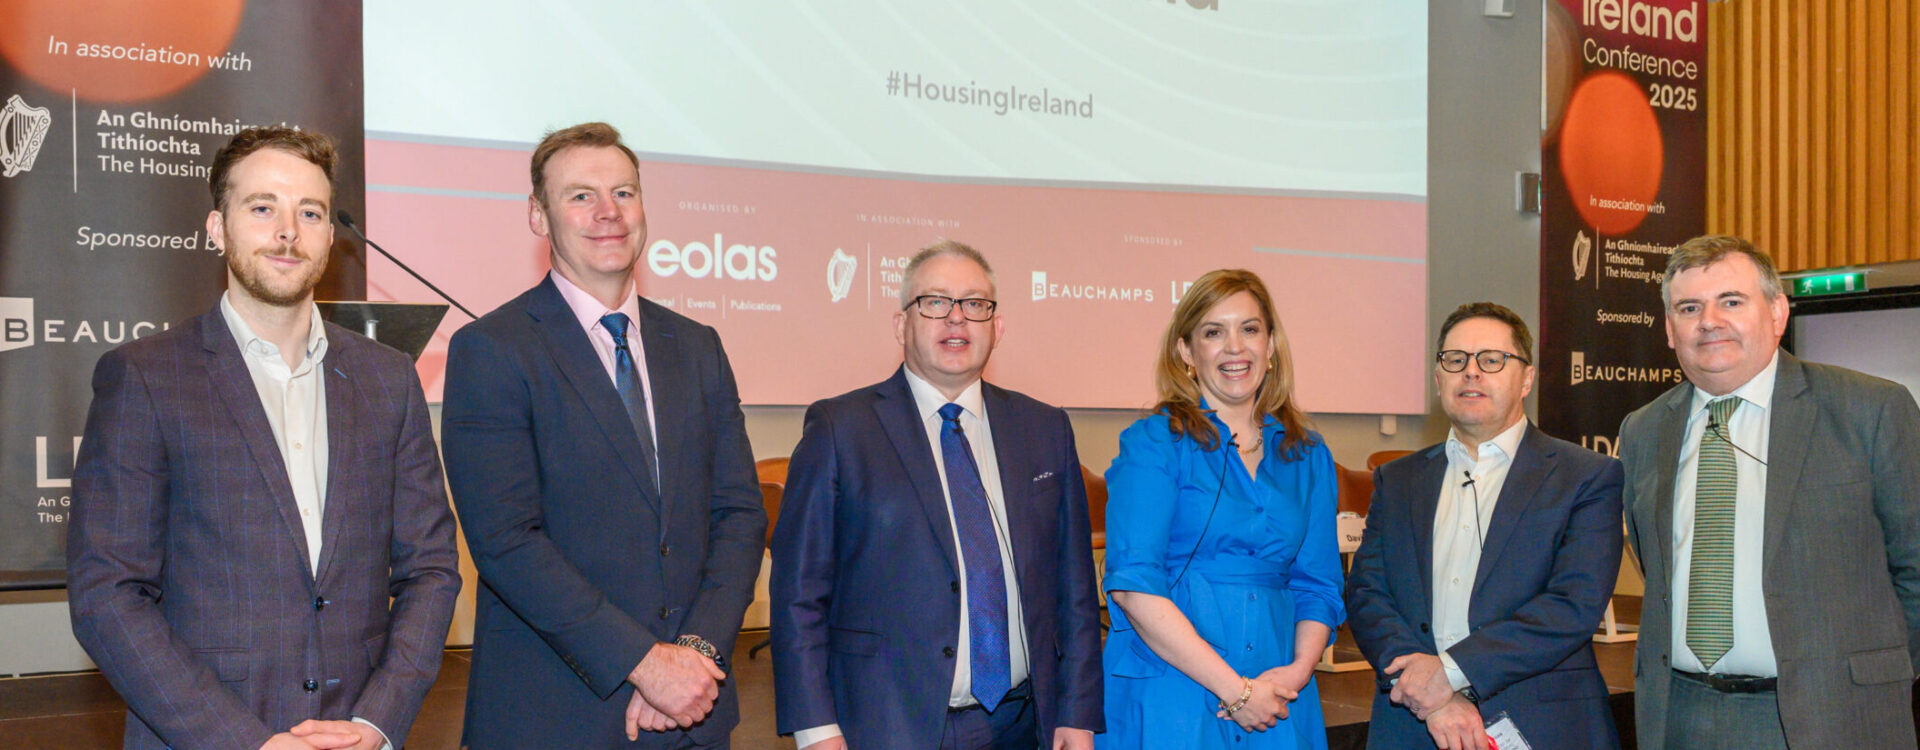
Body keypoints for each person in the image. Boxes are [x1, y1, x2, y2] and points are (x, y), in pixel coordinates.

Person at [67, 126, 462, 750]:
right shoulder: (146, 377)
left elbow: (431, 570)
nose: (288, 231)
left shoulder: (388, 380)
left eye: (310, 213)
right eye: (262, 208)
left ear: (329, 237)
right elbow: (108, 595)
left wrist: (377, 723)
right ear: (217, 228)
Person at [440, 122, 766, 749]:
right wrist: (645, 664)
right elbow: (507, 541)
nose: (608, 212)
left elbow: (739, 515)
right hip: (555, 718)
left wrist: (695, 655)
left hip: (695, 712)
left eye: (623, 192)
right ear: (538, 215)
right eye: (581, 196)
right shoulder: (491, 349)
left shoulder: (697, 346)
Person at [770, 240, 1104, 750]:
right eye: (935, 302)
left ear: (997, 327)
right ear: (901, 325)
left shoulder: (1045, 428)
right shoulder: (841, 429)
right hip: (887, 725)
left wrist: (1076, 714)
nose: (956, 317)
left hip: (1024, 723)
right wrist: (815, 730)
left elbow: (1075, 589)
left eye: (975, 303)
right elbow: (799, 593)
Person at [1620, 235, 1920, 749]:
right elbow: (1655, 566)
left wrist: (1872, 675)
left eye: (1731, 301)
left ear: (1777, 312)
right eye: (1689, 308)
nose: (1709, 321)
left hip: (1835, 718)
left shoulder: (1870, 410)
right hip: (1682, 716)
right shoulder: (1643, 430)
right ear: (1670, 329)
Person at [1344, 302, 1623, 750]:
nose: (1471, 372)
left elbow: (1573, 605)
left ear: (1526, 379)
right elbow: (1367, 593)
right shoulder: (1398, 480)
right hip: (1411, 720)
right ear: (1439, 379)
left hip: (1541, 721)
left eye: (1492, 359)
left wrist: (1449, 673)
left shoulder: (1585, 476)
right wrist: (1428, 693)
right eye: (1455, 360)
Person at [1097, 269, 1343, 750]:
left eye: (1249, 329)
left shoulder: (1308, 454)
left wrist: (1295, 672)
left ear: (1271, 346)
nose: (1235, 347)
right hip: (1173, 684)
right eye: (1213, 332)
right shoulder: (1153, 443)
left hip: (1279, 694)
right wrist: (1236, 691)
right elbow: (1132, 585)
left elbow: (1319, 586)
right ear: (1187, 352)